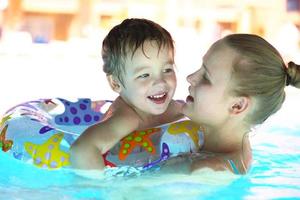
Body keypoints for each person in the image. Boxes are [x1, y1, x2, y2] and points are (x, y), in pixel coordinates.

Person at [70, 18, 187, 170]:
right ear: (115, 83)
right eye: (144, 75)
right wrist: (98, 188)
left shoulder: (174, 108)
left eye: (167, 70)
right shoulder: (127, 118)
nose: (160, 82)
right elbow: (81, 150)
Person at [178, 33, 300, 174]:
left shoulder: (207, 171)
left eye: (206, 77)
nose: (190, 78)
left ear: (238, 106)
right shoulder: (218, 142)